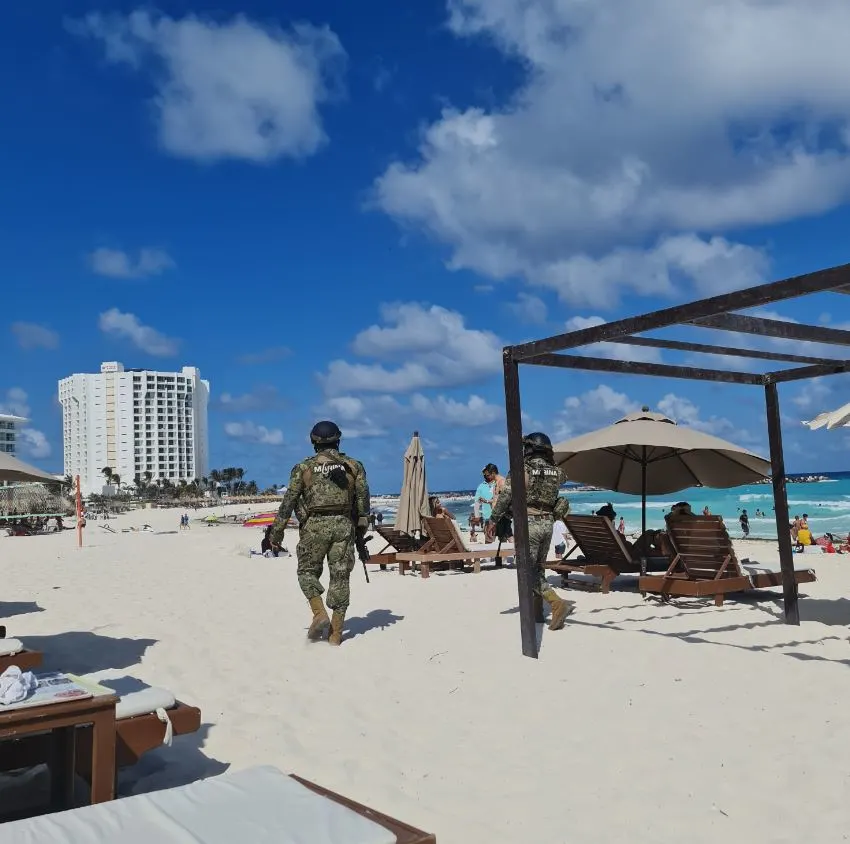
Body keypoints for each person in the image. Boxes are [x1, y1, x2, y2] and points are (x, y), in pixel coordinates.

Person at [268, 421, 370, 646]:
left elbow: (289, 502)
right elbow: (363, 503)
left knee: (306, 572)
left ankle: (318, 612)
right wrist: (360, 528)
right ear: (338, 439)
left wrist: (276, 534)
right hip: (344, 526)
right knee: (341, 577)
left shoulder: (303, 468)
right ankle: (336, 635)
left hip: (313, 526)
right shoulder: (353, 466)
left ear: (314, 442)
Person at [486, 432, 573, 631]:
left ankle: (556, 603)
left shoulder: (522, 469)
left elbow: (506, 496)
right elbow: (563, 477)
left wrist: (493, 520)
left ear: (530, 449)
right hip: (548, 523)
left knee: (527, 571)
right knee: (538, 569)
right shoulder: (556, 471)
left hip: (530, 524)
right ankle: (537, 614)